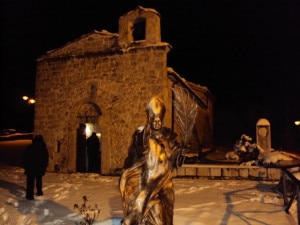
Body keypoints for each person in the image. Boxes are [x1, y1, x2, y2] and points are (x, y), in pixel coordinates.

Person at [120, 96, 185, 225]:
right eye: (153, 118)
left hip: (164, 182)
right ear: (149, 118)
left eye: (159, 118)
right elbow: (136, 152)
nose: (156, 122)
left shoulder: (168, 136)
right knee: (141, 202)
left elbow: (175, 160)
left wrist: (180, 156)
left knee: (165, 212)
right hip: (147, 181)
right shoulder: (142, 134)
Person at [22, 135, 49, 200]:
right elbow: (45, 159)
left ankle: (29, 195)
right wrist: (44, 167)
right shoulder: (43, 149)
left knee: (30, 182)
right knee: (39, 180)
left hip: (30, 168)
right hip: (39, 168)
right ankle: (39, 192)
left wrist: (25, 167)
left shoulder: (30, 147)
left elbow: (25, 158)